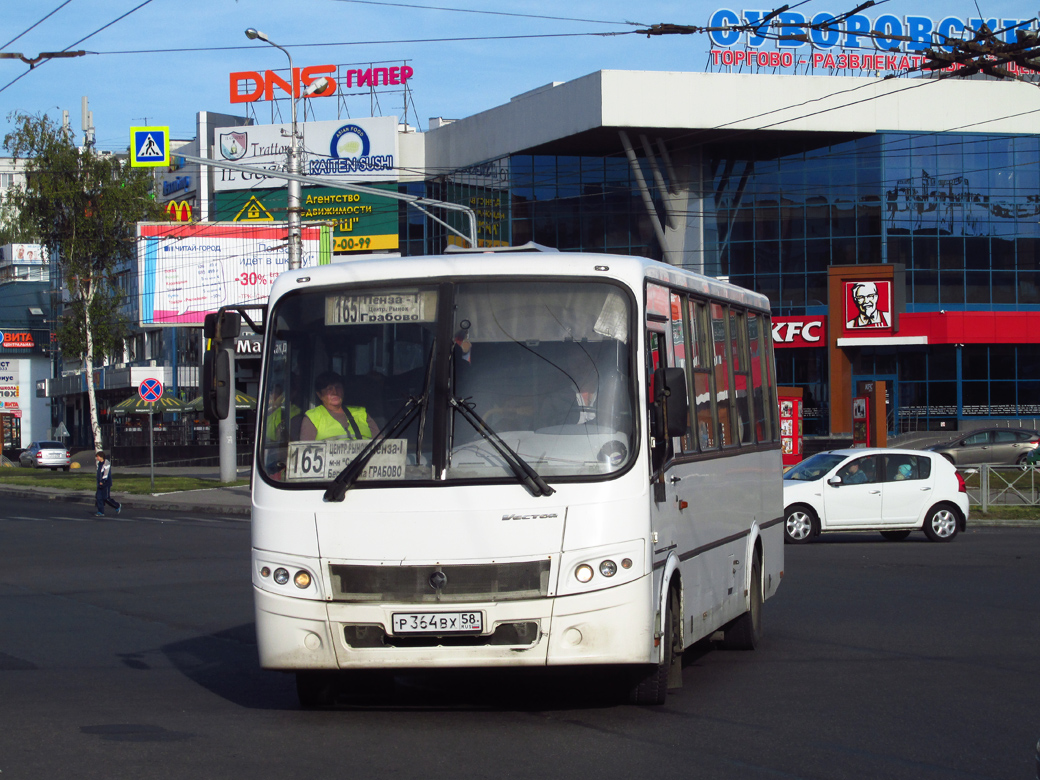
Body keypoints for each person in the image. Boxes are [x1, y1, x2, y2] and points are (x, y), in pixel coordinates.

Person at [299, 371, 380, 441]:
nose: (335, 392)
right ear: (319, 394)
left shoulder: (362, 413)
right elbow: (306, 449)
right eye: (329, 389)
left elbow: (381, 444)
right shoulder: (312, 416)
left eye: (338, 387)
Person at [94, 451, 121, 517]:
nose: (96, 458)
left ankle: (117, 505)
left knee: (106, 498)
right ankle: (100, 512)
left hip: (106, 483)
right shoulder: (99, 464)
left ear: (101, 457)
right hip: (99, 484)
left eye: (97, 457)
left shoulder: (106, 463)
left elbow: (106, 473)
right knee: (99, 497)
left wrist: (102, 481)